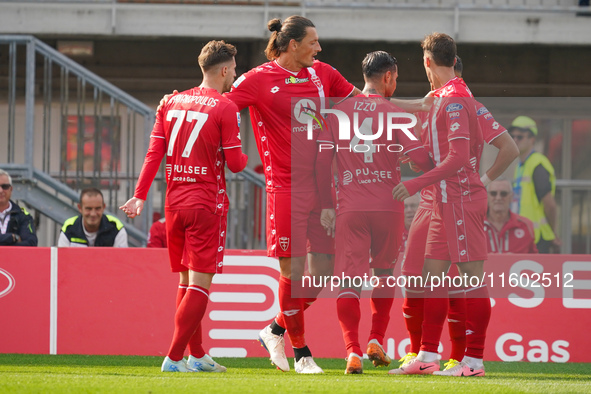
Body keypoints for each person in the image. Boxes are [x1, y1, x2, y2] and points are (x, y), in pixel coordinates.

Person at [224, 15, 363, 374]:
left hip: (322, 189)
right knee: (295, 271)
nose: (320, 48)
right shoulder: (256, 80)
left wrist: (416, 111)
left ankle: (274, 329)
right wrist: (185, 102)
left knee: (324, 271)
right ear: (292, 45)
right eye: (314, 42)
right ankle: (302, 354)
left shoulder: (324, 74)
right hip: (284, 189)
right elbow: (222, 108)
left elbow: (364, 104)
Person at [120, 40, 248, 373]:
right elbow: (236, 164)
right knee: (200, 286)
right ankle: (174, 358)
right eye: (233, 68)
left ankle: (197, 354)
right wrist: (245, 154)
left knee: (185, 283)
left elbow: (154, 154)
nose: (235, 73)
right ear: (223, 70)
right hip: (206, 204)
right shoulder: (225, 107)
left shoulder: (171, 102)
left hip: (173, 205)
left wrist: (139, 195)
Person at [392, 52, 519, 375]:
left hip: (456, 198)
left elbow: (503, 150)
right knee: (425, 276)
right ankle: (426, 355)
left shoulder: (461, 103)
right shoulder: (439, 99)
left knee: (467, 280)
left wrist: (483, 181)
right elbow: (421, 111)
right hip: (437, 199)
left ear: (429, 62)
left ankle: (470, 359)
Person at [315, 51, 434, 374]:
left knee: (349, 281)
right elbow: (421, 159)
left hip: (351, 207)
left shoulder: (337, 112)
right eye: (395, 78)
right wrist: (419, 161)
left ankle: (352, 351)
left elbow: (322, 163)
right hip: (388, 207)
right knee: (383, 274)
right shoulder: (395, 113)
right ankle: (376, 339)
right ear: (388, 77)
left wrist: (327, 205)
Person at [509, 115, 560, 254]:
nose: (515, 140)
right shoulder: (521, 165)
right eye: (512, 136)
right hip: (523, 234)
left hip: (537, 237)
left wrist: (553, 232)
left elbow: (550, 204)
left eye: (520, 137)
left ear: (532, 139)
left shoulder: (537, 164)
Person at [58, 188, 127, 247]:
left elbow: (122, 260)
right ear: (80, 208)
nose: (93, 214)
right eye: (88, 209)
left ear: (103, 207)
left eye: (97, 208)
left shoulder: (116, 228)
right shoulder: (69, 228)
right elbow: (62, 260)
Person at [485, 178, 538, 253]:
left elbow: (534, 260)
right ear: (486, 196)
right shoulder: (475, 225)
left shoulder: (525, 225)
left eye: (503, 194)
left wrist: (514, 259)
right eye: (493, 193)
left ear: (511, 197)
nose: (498, 198)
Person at [0, 169, 38, 246]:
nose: (0, 190)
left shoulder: (23, 216)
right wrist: (12, 237)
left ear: (11, 189)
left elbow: (31, 243)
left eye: (5, 186)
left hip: (14, 258)